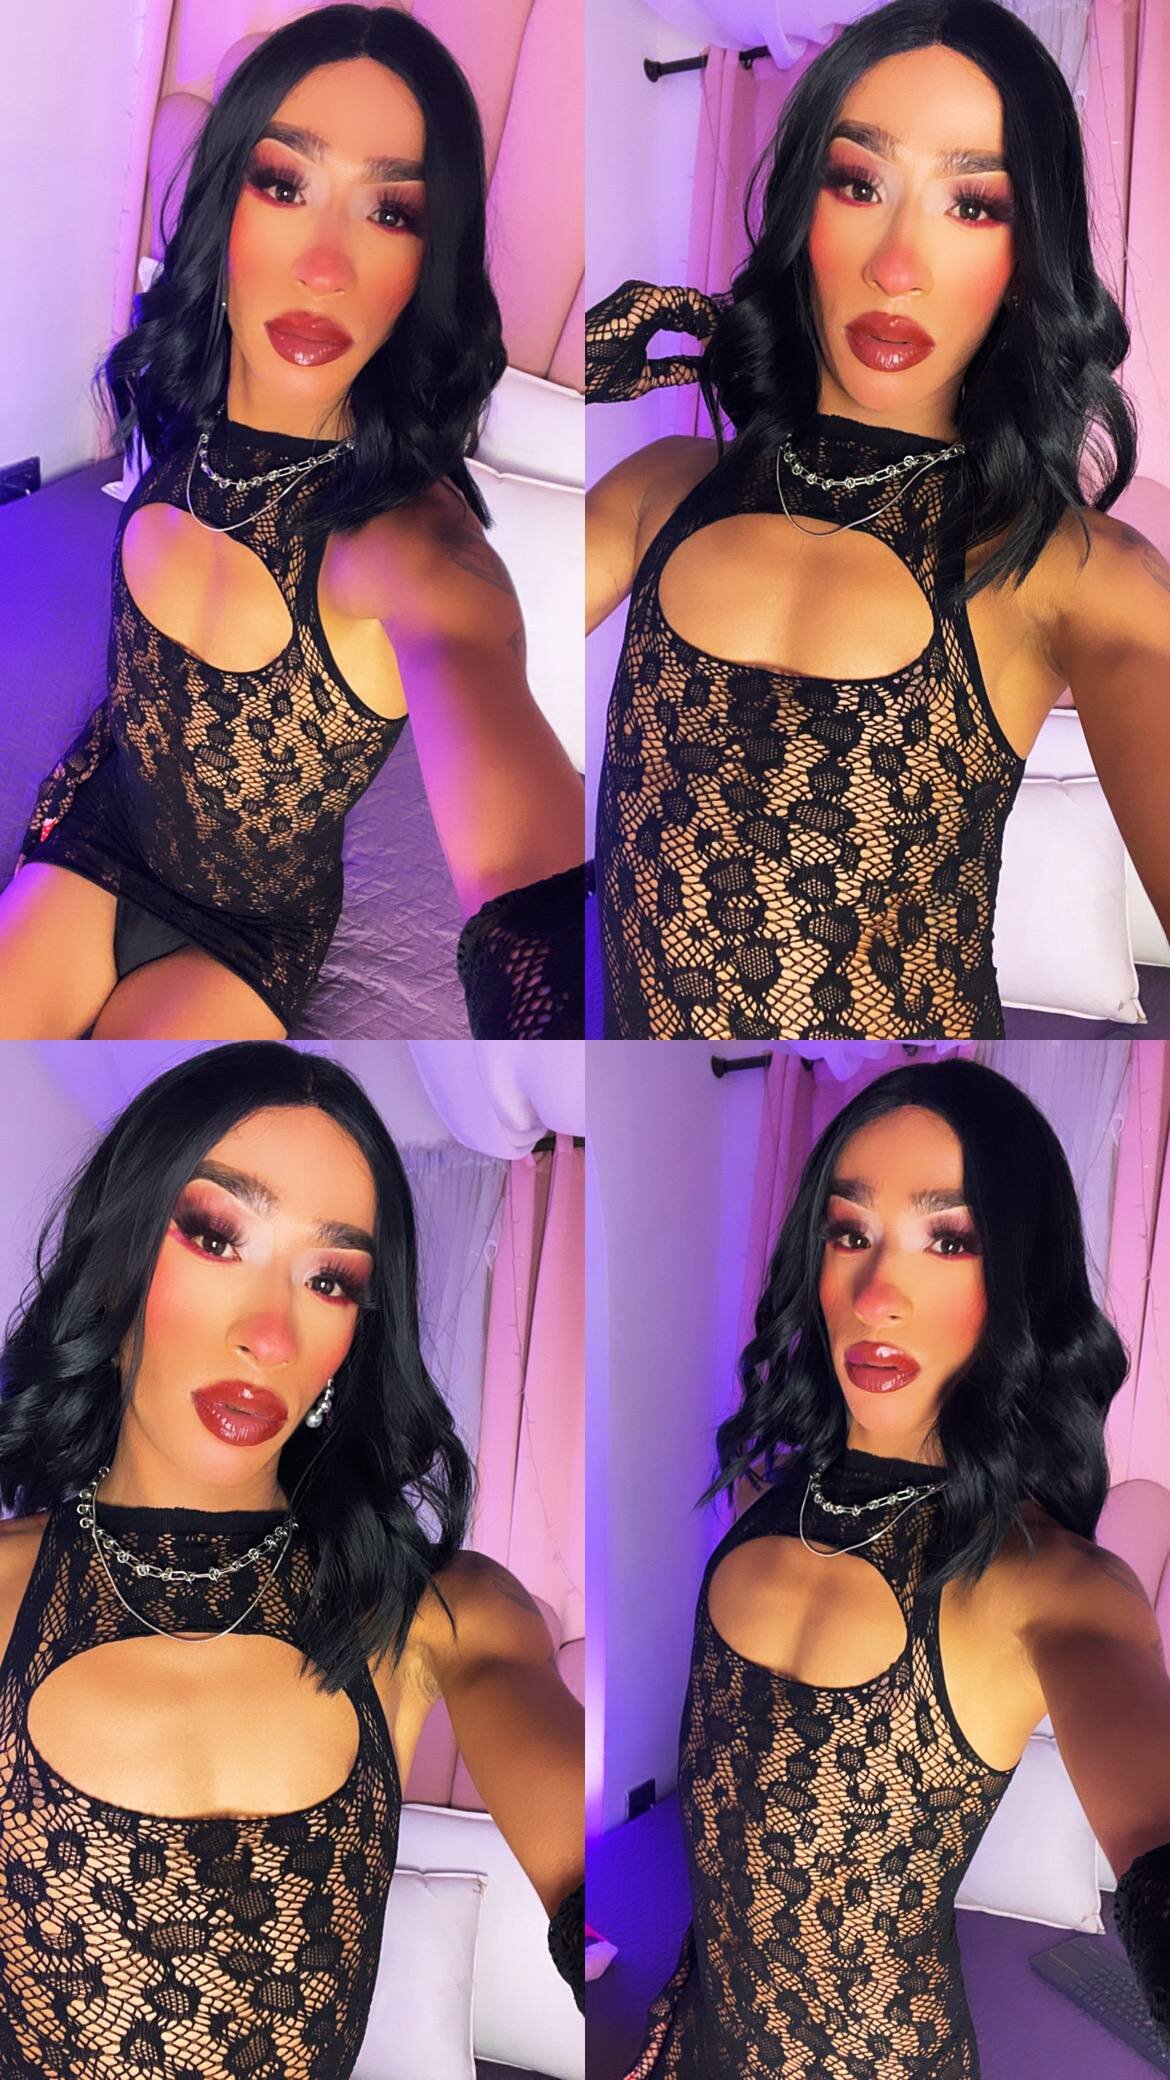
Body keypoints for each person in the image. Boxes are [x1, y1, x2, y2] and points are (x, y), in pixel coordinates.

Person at [586, 0, 1170, 1041]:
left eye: (972, 204)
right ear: (802, 212)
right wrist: (549, 372)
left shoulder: (1074, 568)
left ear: (1030, 255)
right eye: (858, 185)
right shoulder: (662, 486)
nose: (896, 265)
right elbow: (450, 639)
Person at [0, 4, 586, 1042]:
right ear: (227, 201)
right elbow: (183, 140)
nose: (324, 265)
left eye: (390, 212)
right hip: (101, 816)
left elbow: (534, 890)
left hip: (245, 933)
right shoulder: (189, 387)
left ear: (428, 261)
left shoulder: (416, 552)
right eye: (283, 184)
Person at [0, 1042, 584, 2076]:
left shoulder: (437, 1613)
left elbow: (610, 1875)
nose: (270, 1335)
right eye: (217, 1236)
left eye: (329, 1278)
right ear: (119, 1259)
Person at [621, 1058, 1170, 2077]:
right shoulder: (767, 1493)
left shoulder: (1050, 1586)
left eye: (948, 1240)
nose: (877, 1294)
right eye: (850, 1232)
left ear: (1020, 1275)